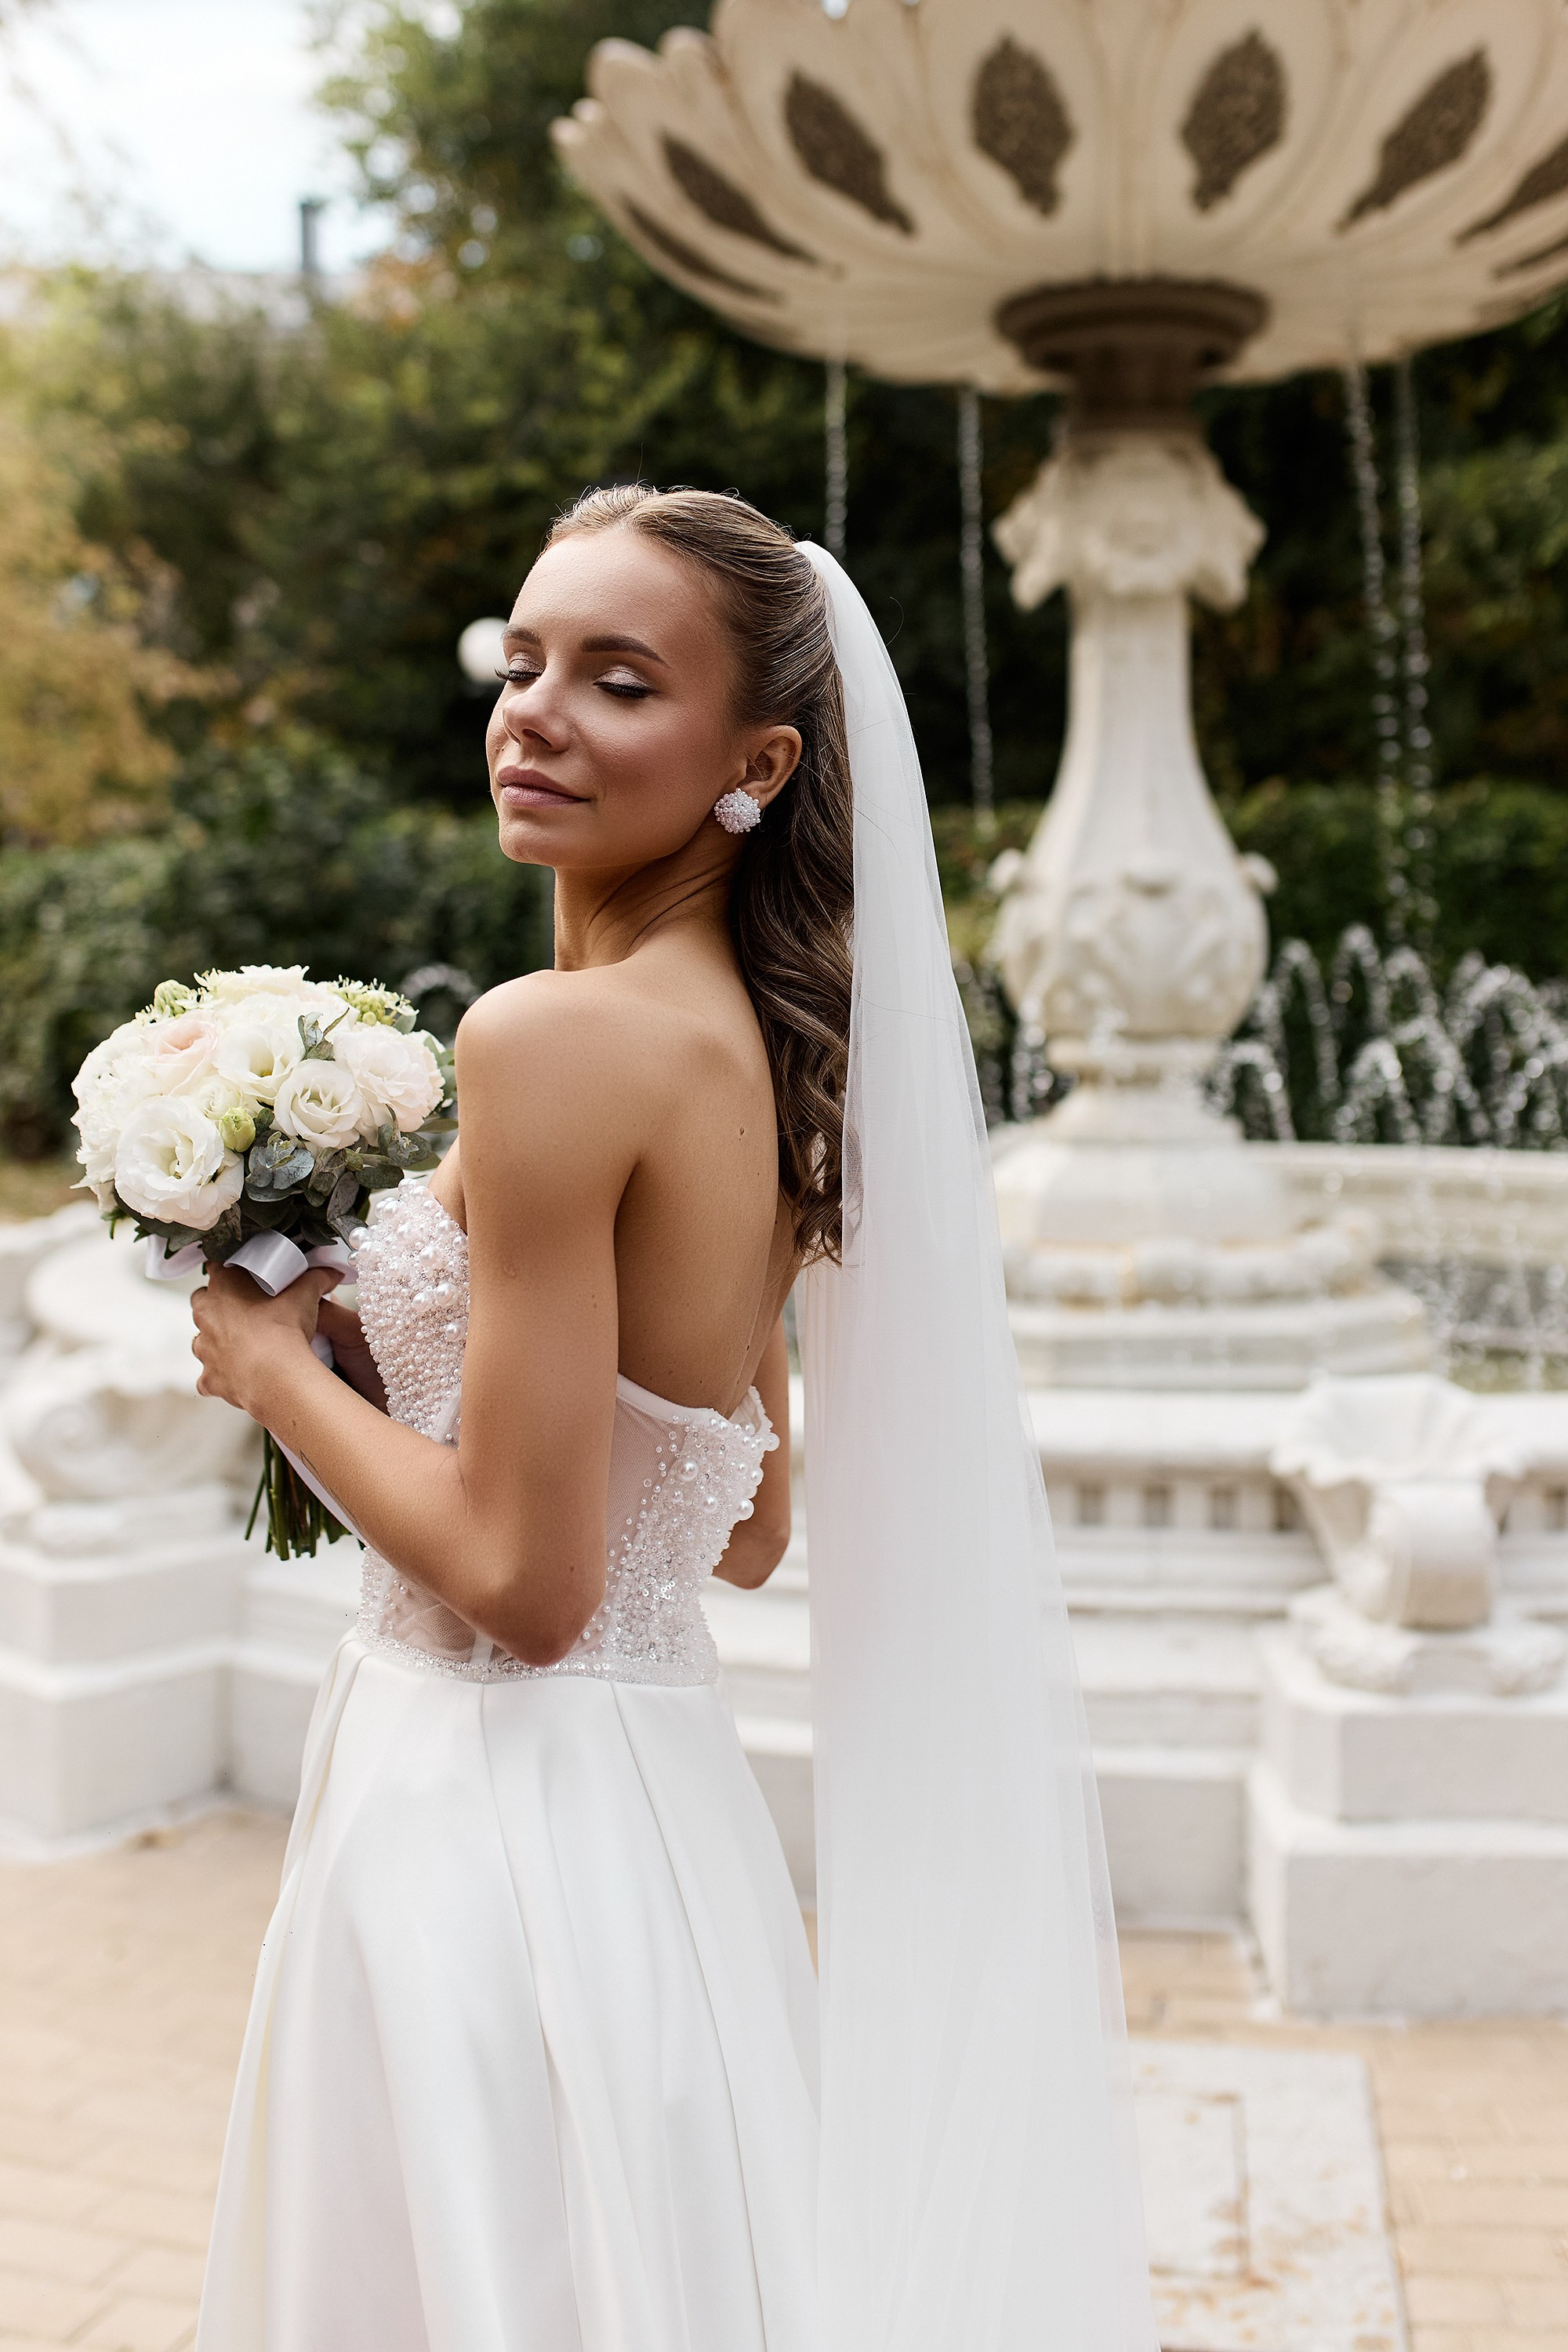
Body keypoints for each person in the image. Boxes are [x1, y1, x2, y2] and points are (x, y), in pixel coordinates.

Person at [189, 487, 1156, 2352]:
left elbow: (523, 1590)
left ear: (758, 760)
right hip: (659, 1828)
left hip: (481, 1816)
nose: (535, 712)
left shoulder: (553, 1041)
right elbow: (738, 1522)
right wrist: (395, 1367)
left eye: (619, 682)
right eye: (525, 658)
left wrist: (273, 1377)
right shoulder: (768, 1048)